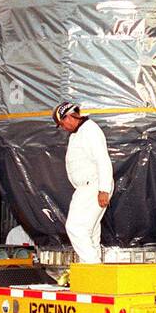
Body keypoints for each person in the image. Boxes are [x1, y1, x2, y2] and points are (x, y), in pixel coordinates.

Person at [53, 101, 114, 264]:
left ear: (70, 117)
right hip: (87, 187)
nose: (63, 127)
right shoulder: (78, 133)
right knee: (90, 231)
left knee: (75, 228)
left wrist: (104, 189)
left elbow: (102, 159)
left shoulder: (89, 130)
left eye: (62, 122)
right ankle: (92, 269)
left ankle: (93, 269)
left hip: (93, 185)